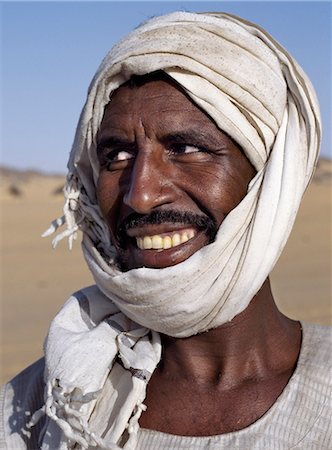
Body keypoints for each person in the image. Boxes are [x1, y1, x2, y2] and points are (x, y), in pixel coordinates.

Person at [1, 11, 331, 450]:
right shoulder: (39, 407)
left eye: (185, 148)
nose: (139, 195)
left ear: (268, 179)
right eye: (116, 156)